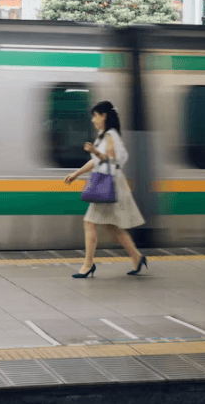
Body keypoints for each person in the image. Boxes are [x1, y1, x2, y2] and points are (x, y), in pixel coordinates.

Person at [64, 101, 147, 278]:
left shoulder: (110, 135)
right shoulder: (104, 135)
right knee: (112, 225)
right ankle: (137, 257)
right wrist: (77, 173)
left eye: (95, 115)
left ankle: (88, 265)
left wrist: (93, 151)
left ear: (104, 116)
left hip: (109, 183)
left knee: (89, 222)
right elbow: (96, 161)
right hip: (111, 182)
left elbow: (109, 159)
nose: (93, 119)